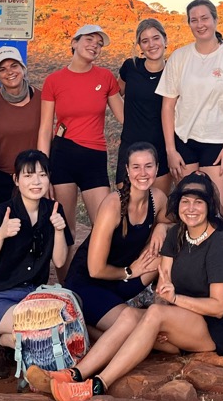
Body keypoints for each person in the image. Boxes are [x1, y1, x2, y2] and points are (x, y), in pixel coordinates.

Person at [44, 172, 223, 401]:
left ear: (209, 206)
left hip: (214, 327)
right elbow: (163, 289)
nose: (191, 208)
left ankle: (97, 385)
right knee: (130, 315)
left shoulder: (220, 243)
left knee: (154, 315)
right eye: (185, 201)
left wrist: (166, 310)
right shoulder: (176, 235)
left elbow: (218, 308)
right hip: (180, 320)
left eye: (198, 202)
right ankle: (74, 374)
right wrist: (157, 320)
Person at [0, 149, 73, 378]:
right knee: (42, 332)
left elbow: (59, 260)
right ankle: (3, 342)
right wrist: (0, 235)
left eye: (42, 174)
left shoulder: (53, 211)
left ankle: (0, 342)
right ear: (16, 180)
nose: (36, 182)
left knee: (62, 325)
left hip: (32, 297)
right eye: (28, 176)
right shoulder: (3, 213)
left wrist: (58, 230)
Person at [156, 0, 223, 216]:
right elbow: (168, 106)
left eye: (205, 18)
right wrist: (171, 151)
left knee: (218, 212)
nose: (200, 24)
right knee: (188, 212)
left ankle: (221, 250)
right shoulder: (180, 57)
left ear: (215, 20)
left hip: (218, 144)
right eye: (194, 20)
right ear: (189, 24)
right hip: (184, 142)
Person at [64, 141, 169, 335]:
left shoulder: (158, 198)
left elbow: (177, 222)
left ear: (157, 168)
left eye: (148, 166)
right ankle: (84, 327)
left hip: (122, 282)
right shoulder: (112, 206)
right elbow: (95, 270)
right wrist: (129, 271)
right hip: (89, 284)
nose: (143, 173)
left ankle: (124, 310)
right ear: (127, 170)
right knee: (143, 331)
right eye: (136, 167)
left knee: (165, 256)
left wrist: (162, 227)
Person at [39, 25, 125, 246]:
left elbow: (124, 117)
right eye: (89, 40)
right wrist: (43, 170)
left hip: (94, 156)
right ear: (74, 43)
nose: (94, 46)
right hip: (63, 154)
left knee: (105, 225)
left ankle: (97, 277)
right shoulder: (54, 80)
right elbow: (46, 128)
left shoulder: (105, 77)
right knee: (64, 228)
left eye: (99, 44)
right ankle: (64, 281)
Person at [117, 19, 172, 192]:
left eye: (156, 38)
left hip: (161, 148)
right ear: (139, 45)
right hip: (130, 146)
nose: (151, 44)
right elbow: (114, 94)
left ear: (165, 40)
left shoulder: (174, 71)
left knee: (157, 207)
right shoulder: (131, 67)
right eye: (145, 40)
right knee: (125, 206)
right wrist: (125, 119)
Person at [0, 45, 42, 206]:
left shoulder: (42, 99)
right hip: (1, 178)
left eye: (14, 66)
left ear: (23, 68)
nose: (9, 72)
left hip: (35, 177)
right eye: (2, 69)